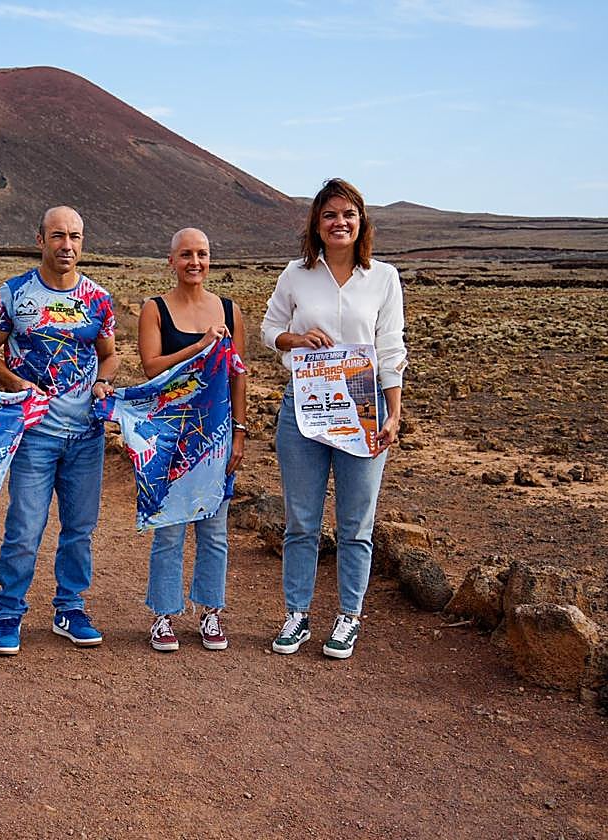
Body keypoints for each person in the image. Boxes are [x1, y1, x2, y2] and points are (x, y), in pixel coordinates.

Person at [260, 178, 406, 660]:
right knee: (301, 521)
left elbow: (390, 349)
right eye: (329, 215)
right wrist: (296, 341)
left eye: (348, 214)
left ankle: (348, 617)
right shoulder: (296, 275)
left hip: (365, 414)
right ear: (316, 225)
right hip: (304, 411)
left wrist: (394, 413)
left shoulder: (383, 278)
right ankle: (297, 615)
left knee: (355, 524)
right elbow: (269, 329)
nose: (339, 222)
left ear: (361, 221)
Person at [0, 206, 118, 655]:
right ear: (39, 239)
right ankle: (9, 612)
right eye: (58, 236)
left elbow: (109, 354)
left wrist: (103, 380)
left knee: (79, 528)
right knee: (25, 526)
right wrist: (15, 383)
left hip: (86, 436)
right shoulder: (14, 294)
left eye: (75, 237)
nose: (67, 245)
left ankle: (70, 608)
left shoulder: (98, 299)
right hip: (35, 433)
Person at [136, 228, 247, 652]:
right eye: (185, 254)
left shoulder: (230, 310)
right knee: (170, 529)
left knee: (214, 530)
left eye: (201, 253)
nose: (194, 262)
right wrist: (199, 346)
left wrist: (239, 431)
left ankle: (210, 611)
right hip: (170, 436)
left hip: (216, 436)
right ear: (171, 260)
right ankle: (164, 615)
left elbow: (238, 373)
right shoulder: (155, 309)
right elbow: (151, 367)